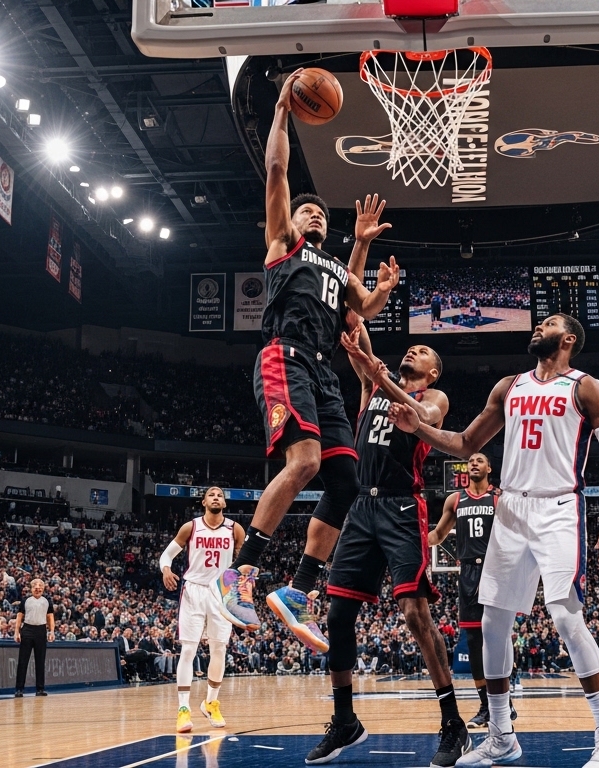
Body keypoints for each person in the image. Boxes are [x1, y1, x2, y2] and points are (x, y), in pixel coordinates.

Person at [389, 313, 599, 768]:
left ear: (569, 338)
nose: (538, 327)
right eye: (538, 323)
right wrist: (418, 428)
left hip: (560, 507)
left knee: (564, 617)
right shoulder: (509, 386)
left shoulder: (586, 388)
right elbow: (463, 444)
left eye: (548, 323)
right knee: (493, 624)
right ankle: (501, 736)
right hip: (512, 509)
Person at [213, 67, 400, 653]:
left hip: (323, 368)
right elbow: (276, 172)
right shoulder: (282, 247)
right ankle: (240, 570)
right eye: (306, 212)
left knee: (347, 479)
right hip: (284, 357)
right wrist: (282, 112)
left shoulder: (337, 268)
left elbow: (360, 306)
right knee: (305, 463)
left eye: (321, 214)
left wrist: (366, 249)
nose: (314, 215)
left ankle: (298, 588)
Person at [307, 325, 464, 766]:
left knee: (416, 614)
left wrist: (383, 377)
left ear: (431, 372)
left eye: (422, 351)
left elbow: (422, 417)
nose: (412, 350)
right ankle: (345, 721)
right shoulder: (371, 385)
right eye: (410, 347)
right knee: (338, 615)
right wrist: (360, 258)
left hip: (401, 507)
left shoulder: (435, 398)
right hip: (361, 506)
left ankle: (452, 723)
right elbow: (359, 334)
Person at [429, 453, 514, 730]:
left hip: (495, 570)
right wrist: (412, 538)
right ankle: (486, 705)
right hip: (467, 573)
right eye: (471, 461)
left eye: (480, 460)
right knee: (475, 640)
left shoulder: (499, 498)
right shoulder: (454, 500)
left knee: (498, 637)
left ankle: (504, 700)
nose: (474, 463)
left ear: (489, 467)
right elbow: (438, 535)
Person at [159, 487, 243, 733]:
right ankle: (183, 710)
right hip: (194, 590)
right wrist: (166, 569)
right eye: (212, 494)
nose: (216, 496)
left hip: (221, 591)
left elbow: (246, 561)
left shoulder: (235, 529)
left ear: (224, 503)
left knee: (219, 648)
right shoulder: (190, 527)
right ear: (204, 501)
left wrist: (242, 591)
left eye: (220, 495)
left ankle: (211, 702)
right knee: (188, 649)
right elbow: (167, 555)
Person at [14, 578, 55, 697]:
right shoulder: (26, 600)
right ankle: (19, 689)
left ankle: (40, 689)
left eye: (40, 587)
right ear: (31, 589)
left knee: (40, 661)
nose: (38, 589)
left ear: (43, 588)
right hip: (27, 629)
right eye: (35, 587)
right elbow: (19, 616)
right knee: (23, 661)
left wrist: (52, 631)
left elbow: (50, 617)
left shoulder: (47, 601)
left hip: (41, 630)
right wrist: (17, 632)